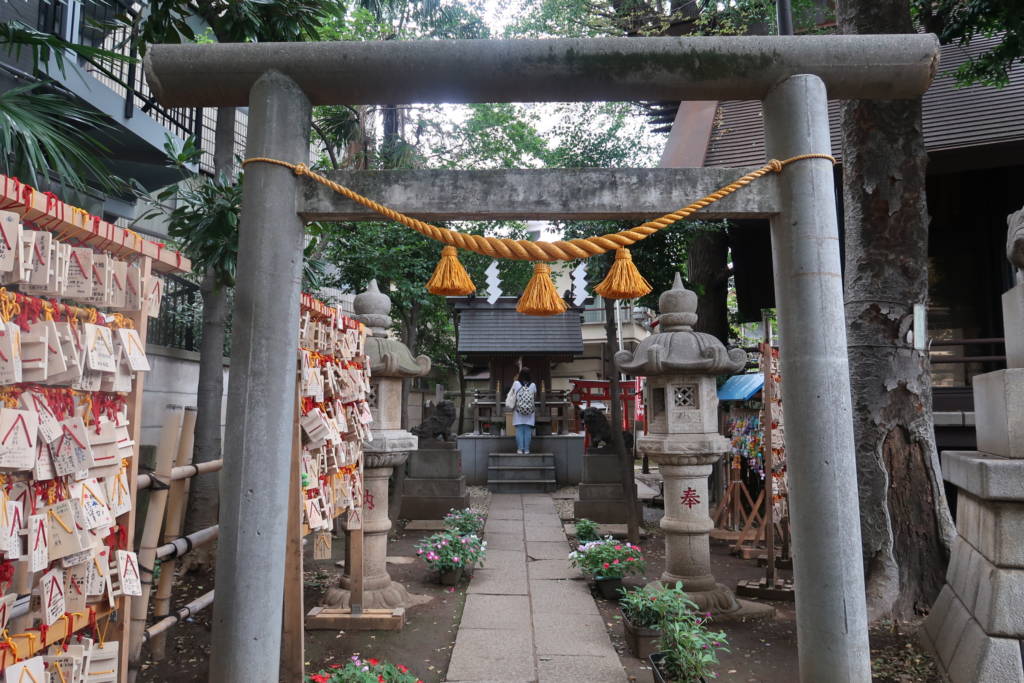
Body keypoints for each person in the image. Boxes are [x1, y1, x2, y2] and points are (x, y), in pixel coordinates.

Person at [510, 367, 537, 454]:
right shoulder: (533, 385)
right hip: (529, 412)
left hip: (518, 411)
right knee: (528, 431)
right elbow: (534, 397)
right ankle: (527, 449)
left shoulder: (516, 383)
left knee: (519, 430)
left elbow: (512, 395)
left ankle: (519, 449)